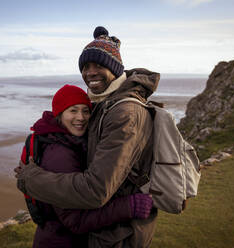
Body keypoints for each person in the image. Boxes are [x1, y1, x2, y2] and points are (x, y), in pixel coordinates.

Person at [15, 26, 160, 247]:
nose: (90, 72)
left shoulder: (124, 112)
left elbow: (95, 190)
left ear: (114, 68)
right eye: (85, 66)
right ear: (59, 116)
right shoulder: (102, 108)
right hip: (105, 234)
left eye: (99, 65)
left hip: (119, 236)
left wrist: (30, 179)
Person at [16, 84, 153, 248]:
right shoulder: (60, 153)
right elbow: (76, 221)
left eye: (85, 111)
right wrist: (129, 206)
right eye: (73, 111)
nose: (80, 117)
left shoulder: (69, 141)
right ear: (59, 114)